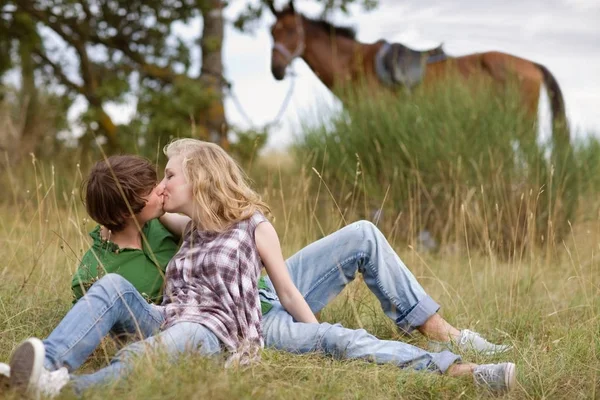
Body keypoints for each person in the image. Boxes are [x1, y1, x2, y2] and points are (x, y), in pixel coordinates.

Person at [3, 139, 516, 398]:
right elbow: (103, 310)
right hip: (182, 318)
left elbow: (285, 290)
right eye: (151, 192)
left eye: (166, 180)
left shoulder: (187, 222)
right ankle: (49, 369)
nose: (161, 188)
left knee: (357, 251)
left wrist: (316, 335)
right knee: (147, 315)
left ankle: (449, 345)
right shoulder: (100, 262)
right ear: (124, 213)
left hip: (252, 307)